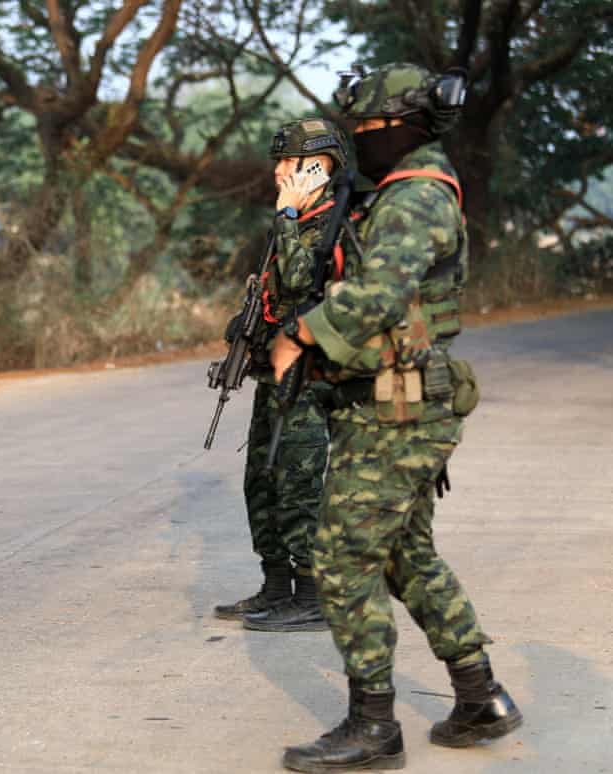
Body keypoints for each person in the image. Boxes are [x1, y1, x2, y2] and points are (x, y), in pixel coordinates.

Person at [270, 64, 522, 771]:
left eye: (366, 131)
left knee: (344, 557)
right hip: (396, 401)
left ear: (398, 129)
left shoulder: (414, 198)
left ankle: (373, 727)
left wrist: (300, 337)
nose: (359, 142)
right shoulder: (397, 192)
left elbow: (377, 297)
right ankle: (480, 697)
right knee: (406, 554)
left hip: (398, 409)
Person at [214, 118, 346, 634]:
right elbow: (274, 295)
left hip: (310, 378)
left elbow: (299, 281)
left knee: (298, 485)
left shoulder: (330, 223)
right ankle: (275, 586)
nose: (277, 171)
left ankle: (311, 595)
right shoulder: (291, 222)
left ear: (317, 165)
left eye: (287, 162)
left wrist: (288, 216)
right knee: (261, 481)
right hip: (274, 375)